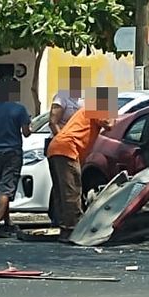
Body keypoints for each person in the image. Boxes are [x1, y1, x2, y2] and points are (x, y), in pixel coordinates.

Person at [46, 87, 116, 242]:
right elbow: (109, 124)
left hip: (56, 148)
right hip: (67, 149)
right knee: (72, 192)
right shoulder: (96, 108)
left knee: (62, 193)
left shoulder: (87, 109)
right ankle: (73, 231)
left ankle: (64, 228)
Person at [0, 79, 32, 238]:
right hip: (13, 152)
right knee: (7, 189)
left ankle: (7, 222)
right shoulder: (20, 109)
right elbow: (26, 132)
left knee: (1, 187)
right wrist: (30, 126)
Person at [47, 67, 84, 227]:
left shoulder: (83, 99)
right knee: (65, 187)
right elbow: (52, 122)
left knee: (69, 186)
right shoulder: (62, 97)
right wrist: (63, 138)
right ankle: (63, 223)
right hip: (61, 144)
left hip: (74, 146)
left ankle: (63, 221)